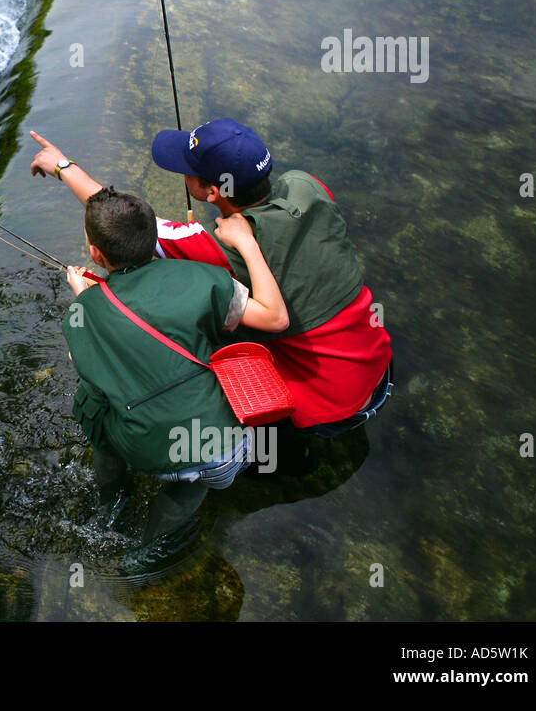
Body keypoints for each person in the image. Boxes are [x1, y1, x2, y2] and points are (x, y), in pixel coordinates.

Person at [31, 119, 394, 440]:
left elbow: (119, 223)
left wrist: (62, 166)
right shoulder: (307, 186)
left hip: (326, 413)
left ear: (212, 193)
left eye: (187, 171)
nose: (182, 173)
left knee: (182, 324)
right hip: (380, 370)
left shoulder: (209, 248)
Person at [60, 187, 288, 540]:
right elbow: (274, 319)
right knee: (192, 480)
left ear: (95, 253)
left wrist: (88, 301)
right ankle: (150, 548)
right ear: (154, 237)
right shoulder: (205, 278)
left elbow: (89, 365)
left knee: (91, 398)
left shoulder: (82, 312)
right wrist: (249, 246)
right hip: (224, 450)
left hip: (147, 451)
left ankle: (111, 503)